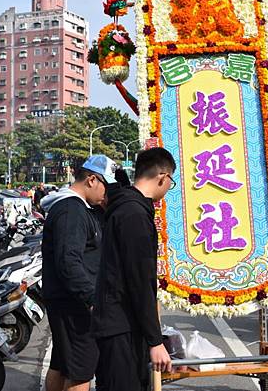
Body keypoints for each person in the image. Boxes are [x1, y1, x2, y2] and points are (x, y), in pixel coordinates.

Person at [94, 147, 175, 391]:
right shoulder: (134, 214)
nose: (168, 188)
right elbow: (139, 281)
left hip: (119, 323)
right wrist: (155, 341)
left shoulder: (127, 206)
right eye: (170, 181)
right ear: (162, 177)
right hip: (121, 326)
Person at [40, 155, 118, 391]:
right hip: (74, 304)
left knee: (64, 364)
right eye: (107, 186)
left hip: (68, 301)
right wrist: (91, 298)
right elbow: (68, 261)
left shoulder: (78, 207)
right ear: (92, 180)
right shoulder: (70, 209)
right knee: (81, 372)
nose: (107, 193)